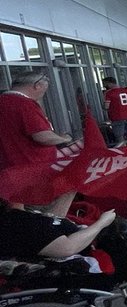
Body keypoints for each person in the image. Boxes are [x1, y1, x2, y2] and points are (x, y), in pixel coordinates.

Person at [0, 69, 78, 217]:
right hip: (35, 171)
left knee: (19, 212)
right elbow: (42, 137)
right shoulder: (25, 104)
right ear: (37, 86)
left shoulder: (3, 102)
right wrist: (64, 139)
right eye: (45, 89)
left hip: (10, 171)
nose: (43, 94)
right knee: (45, 213)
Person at [102, 76, 127, 143]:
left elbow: (106, 106)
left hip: (117, 116)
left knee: (119, 137)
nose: (104, 86)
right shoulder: (126, 91)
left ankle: (124, 151)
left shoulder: (109, 93)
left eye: (105, 84)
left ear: (109, 83)